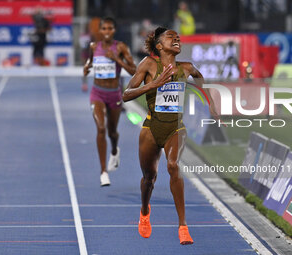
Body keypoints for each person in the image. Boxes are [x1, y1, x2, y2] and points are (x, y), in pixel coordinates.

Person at [123, 27, 217, 245]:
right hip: (151, 128)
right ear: (158, 45)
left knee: (173, 165)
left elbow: (199, 77)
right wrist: (154, 84)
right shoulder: (148, 64)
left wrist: (210, 101)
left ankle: (183, 226)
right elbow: (126, 94)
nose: (176, 38)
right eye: (170, 37)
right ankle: (145, 211)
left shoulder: (186, 67)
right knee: (149, 178)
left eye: (178, 37)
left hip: (175, 127)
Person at [83, 17, 136, 186]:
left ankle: (114, 150)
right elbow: (89, 63)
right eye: (104, 28)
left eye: (110, 29)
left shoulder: (120, 47)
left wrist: (117, 59)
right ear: (100, 30)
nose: (106, 31)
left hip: (114, 95)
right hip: (97, 93)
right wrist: (86, 68)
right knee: (100, 128)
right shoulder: (94, 47)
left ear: (114, 30)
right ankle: (103, 171)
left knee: (112, 132)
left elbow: (134, 70)